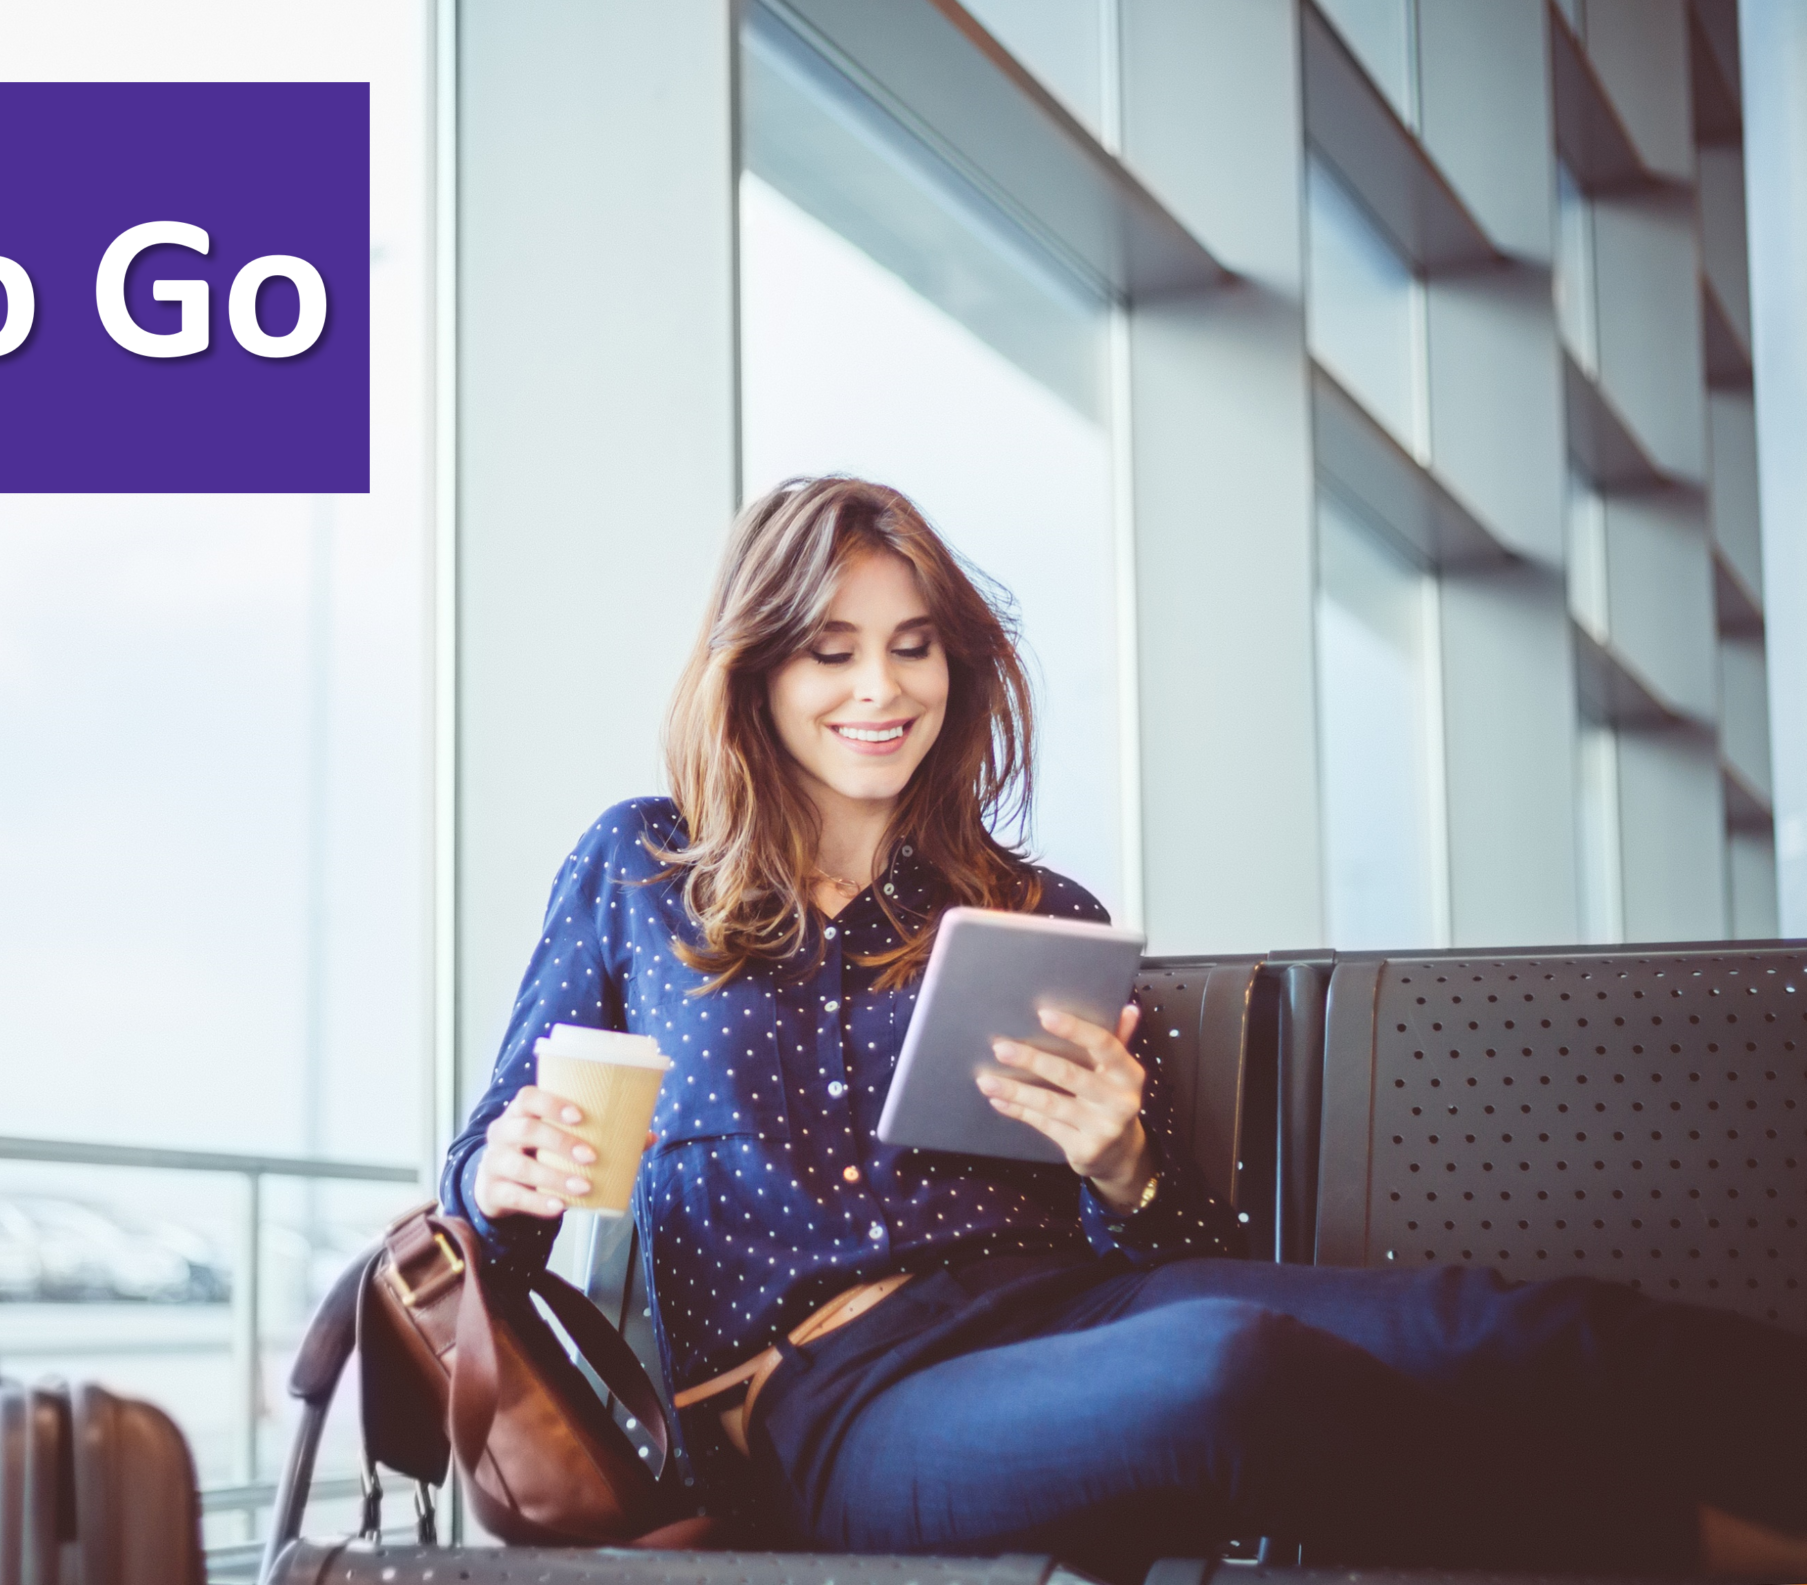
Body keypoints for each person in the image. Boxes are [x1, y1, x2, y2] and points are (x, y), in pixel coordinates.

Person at [442, 475, 1807, 1580]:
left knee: (1499, 1322)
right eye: (832, 650)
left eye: (914, 646)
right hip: (820, 1399)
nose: (881, 689)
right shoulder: (641, 868)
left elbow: (1157, 1250)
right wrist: (505, 1177)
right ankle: (1709, 1551)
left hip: (1064, 1302)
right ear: (758, 668)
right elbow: (478, 1205)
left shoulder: (1032, 910)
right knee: (1228, 1373)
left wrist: (1121, 1164)